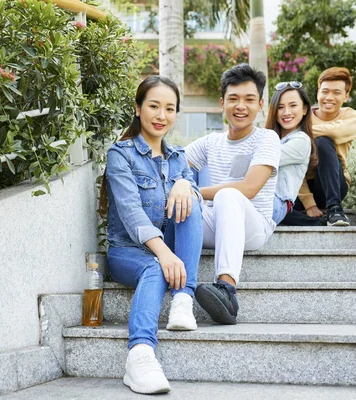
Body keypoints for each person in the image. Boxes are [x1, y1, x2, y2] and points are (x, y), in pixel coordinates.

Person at [99, 76, 203, 394]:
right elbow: (131, 213)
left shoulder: (178, 157)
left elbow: (191, 196)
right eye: (154, 106)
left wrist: (186, 183)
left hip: (166, 247)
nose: (161, 116)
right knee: (154, 266)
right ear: (138, 108)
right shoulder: (121, 154)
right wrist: (165, 253)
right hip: (127, 251)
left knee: (191, 203)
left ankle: (183, 298)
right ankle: (140, 355)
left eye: (169, 109)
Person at [184, 64, 281, 325]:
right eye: (233, 99)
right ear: (221, 103)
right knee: (178, 205)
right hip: (216, 222)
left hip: (253, 226)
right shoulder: (210, 142)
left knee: (227, 195)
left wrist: (195, 191)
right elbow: (174, 162)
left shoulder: (267, 138)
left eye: (249, 99)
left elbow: (249, 188)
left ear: (260, 104)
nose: (241, 106)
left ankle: (226, 290)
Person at [290, 67, 356, 226]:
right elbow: (293, 164)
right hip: (300, 187)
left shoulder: (351, 116)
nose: (329, 97)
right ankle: (317, 223)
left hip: (334, 184)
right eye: (325, 91)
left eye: (336, 92)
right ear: (318, 93)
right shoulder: (303, 117)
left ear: (346, 95)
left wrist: (299, 132)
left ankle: (335, 209)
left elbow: (335, 133)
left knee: (323, 142)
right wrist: (309, 203)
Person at [265, 81, 318, 225]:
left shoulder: (301, 140)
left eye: (293, 106)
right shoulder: (270, 138)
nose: (286, 112)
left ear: (305, 109)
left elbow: (261, 159)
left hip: (276, 205)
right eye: (280, 107)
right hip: (258, 199)